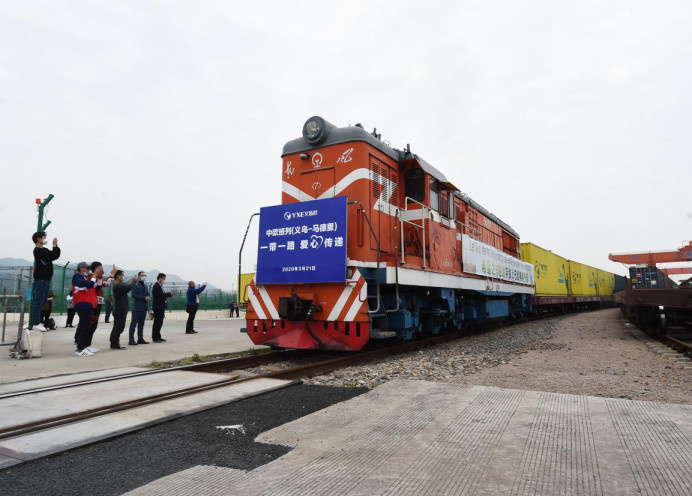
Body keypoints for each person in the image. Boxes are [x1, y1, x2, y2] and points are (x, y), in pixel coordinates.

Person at [30, 231, 60, 331]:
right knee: (38, 302)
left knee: (42, 301)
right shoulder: (37, 251)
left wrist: (55, 247)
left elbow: (54, 256)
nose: (45, 239)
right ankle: (36, 323)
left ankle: (38, 322)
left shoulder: (44, 250)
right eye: (43, 237)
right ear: (38, 239)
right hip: (41, 279)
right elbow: (50, 257)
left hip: (46, 279)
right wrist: (54, 247)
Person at [85, 262, 117, 352]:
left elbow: (105, 283)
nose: (102, 270)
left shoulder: (97, 278)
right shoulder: (92, 277)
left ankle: (88, 344)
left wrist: (111, 275)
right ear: (95, 269)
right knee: (91, 324)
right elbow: (104, 284)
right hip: (92, 303)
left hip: (98, 303)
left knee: (93, 325)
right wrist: (111, 276)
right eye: (100, 268)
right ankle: (85, 345)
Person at [72, 262, 97, 356]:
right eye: (87, 268)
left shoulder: (85, 278)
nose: (88, 270)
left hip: (88, 304)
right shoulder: (77, 277)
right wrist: (93, 278)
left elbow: (93, 285)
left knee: (87, 326)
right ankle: (80, 349)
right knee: (84, 326)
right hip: (81, 304)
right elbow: (88, 285)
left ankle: (84, 346)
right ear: (81, 268)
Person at [110, 270, 137, 349]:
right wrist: (134, 280)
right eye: (122, 275)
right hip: (120, 309)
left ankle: (114, 343)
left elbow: (126, 285)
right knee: (119, 327)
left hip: (120, 308)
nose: (123, 277)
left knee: (116, 327)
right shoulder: (117, 285)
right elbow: (128, 287)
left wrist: (132, 280)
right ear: (118, 276)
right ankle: (115, 344)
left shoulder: (119, 285)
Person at [151, 273, 176, 343]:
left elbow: (162, 295)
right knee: (157, 322)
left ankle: (158, 336)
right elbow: (160, 295)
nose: (164, 280)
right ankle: (155, 337)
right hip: (157, 307)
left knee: (160, 322)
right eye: (163, 278)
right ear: (160, 278)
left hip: (161, 306)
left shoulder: (160, 286)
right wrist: (169, 294)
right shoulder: (156, 286)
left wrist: (169, 295)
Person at [128, 271, 150, 345]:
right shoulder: (135, 285)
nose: (144, 277)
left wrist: (148, 297)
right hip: (137, 308)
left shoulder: (145, 285)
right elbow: (133, 295)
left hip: (143, 308)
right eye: (142, 275)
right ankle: (131, 340)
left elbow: (147, 294)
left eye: (145, 275)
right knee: (133, 324)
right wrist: (144, 298)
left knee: (141, 324)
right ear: (139, 276)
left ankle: (140, 339)